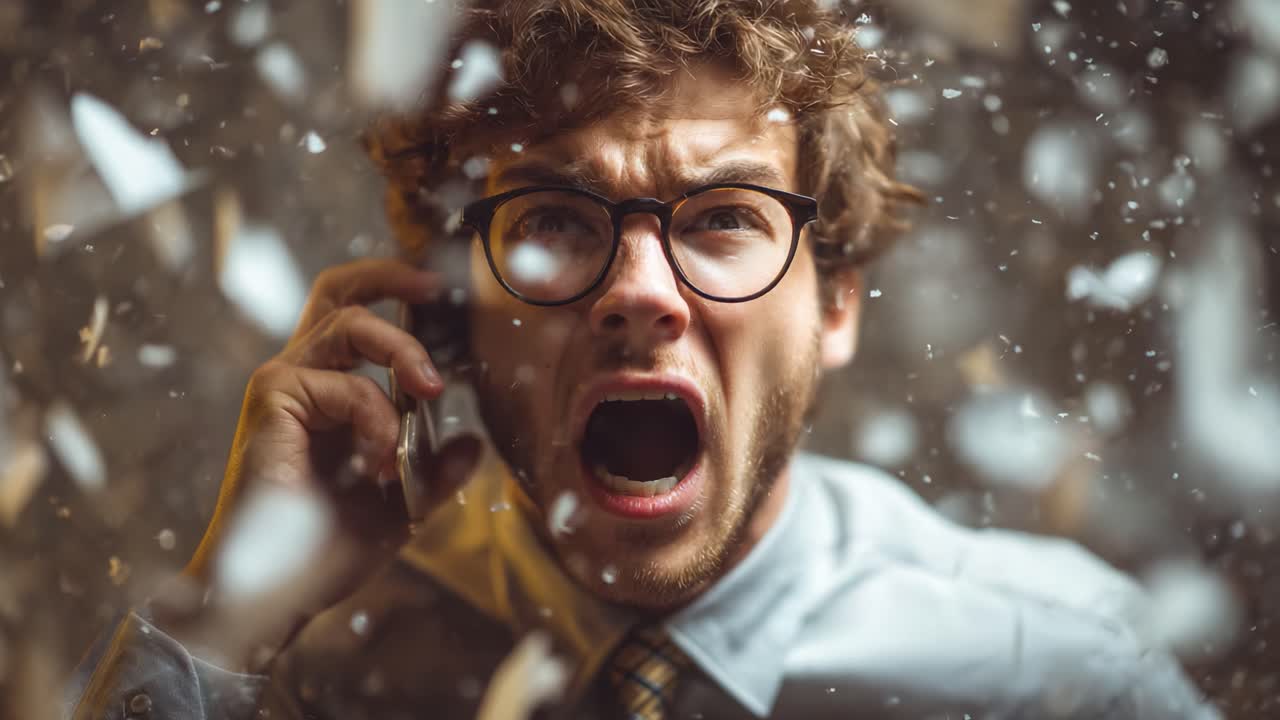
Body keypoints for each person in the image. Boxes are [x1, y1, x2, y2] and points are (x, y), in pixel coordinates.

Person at [68, 1, 1219, 718]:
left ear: (835, 309)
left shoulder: (1058, 676)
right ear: (450, 314)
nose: (637, 293)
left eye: (721, 218)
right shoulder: (314, 678)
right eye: (555, 221)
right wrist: (223, 625)